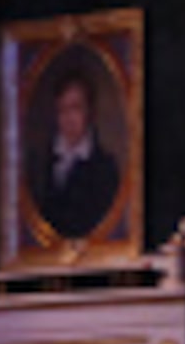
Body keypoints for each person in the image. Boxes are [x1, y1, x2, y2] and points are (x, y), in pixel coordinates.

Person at [32, 62, 122, 242]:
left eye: (75, 108)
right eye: (62, 110)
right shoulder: (46, 162)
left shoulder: (105, 167)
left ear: (89, 111)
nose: (68, 119)